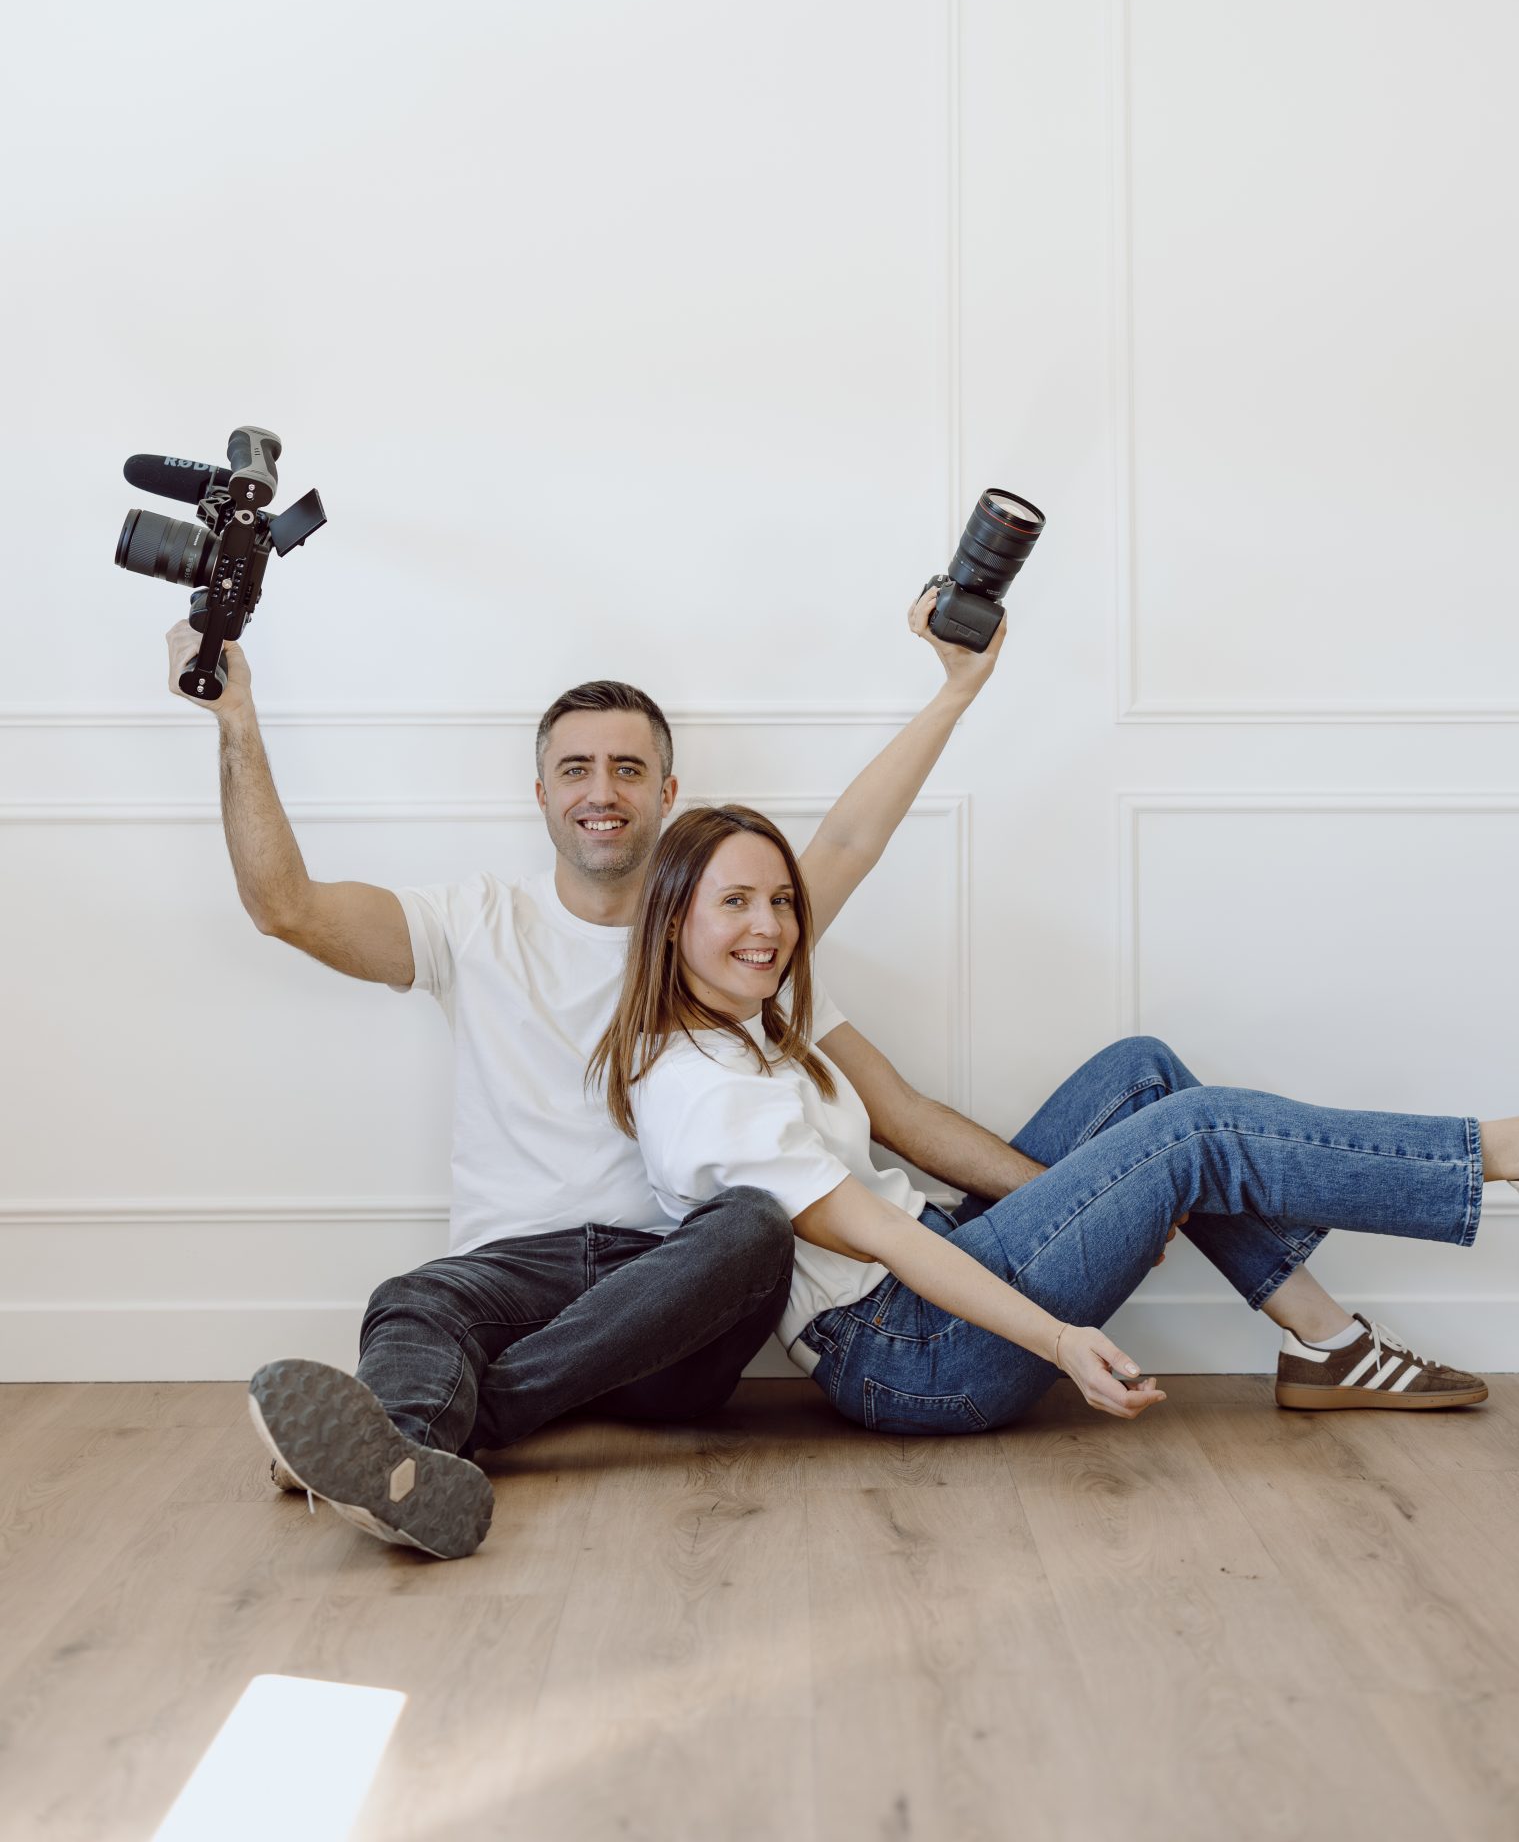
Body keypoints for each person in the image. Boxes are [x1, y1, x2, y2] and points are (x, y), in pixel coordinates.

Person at [168, 590, 1007, 1558]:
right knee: (413, 1299)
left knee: (753, 1228)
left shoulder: (730, 939)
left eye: (627, 768)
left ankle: (453, 1421)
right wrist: (235, 718)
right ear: (542, 796)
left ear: (666, 793)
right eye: (576, 768)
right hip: (509, 1273)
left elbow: (853, 844)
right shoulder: (473, 923)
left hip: (673, 1288)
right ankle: (400, 1470)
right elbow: (287, 908)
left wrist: (956, 690)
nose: (601, 789)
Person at [596, 804, 1519, 1435]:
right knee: (1191, 1133)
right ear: (674, 914)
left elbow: (912, 1120)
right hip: (907, 1353)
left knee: (1142, 1077)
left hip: (936, 1262)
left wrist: (1090, 1200)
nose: (770, 926)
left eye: (780, 899)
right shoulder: (701, 1089)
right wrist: (1065, 1334)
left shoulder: (769, 1002)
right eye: (735, 902)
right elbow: (877, 1238)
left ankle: (1325, 1344)